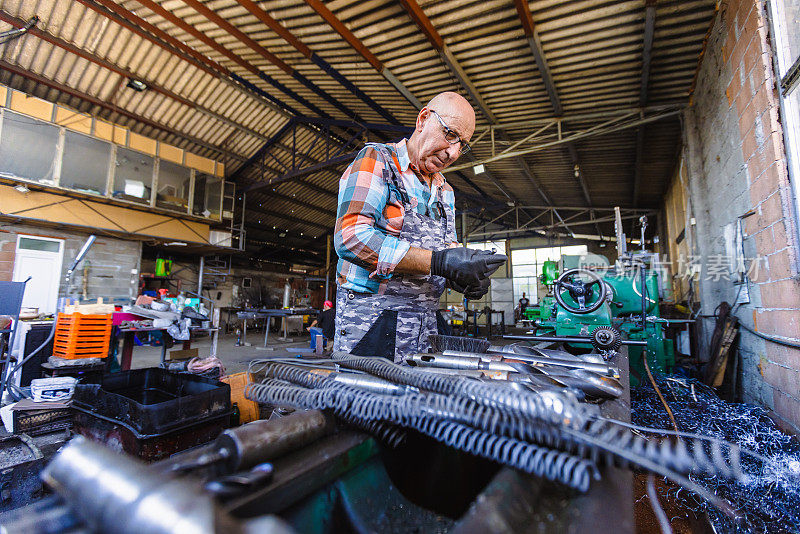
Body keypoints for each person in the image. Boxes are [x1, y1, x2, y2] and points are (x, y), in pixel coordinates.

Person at [333, 91, 507, 362]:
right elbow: (350, 237)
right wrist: (439, 262)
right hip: (371, 326)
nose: (453, 152)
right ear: (424, 119)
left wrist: (463, 277)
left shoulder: (444, 189)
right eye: (450, 135)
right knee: (370, 404)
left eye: (463, 144)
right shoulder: (377, 160)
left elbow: (446, 254)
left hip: (425, 329)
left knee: (420, 401)